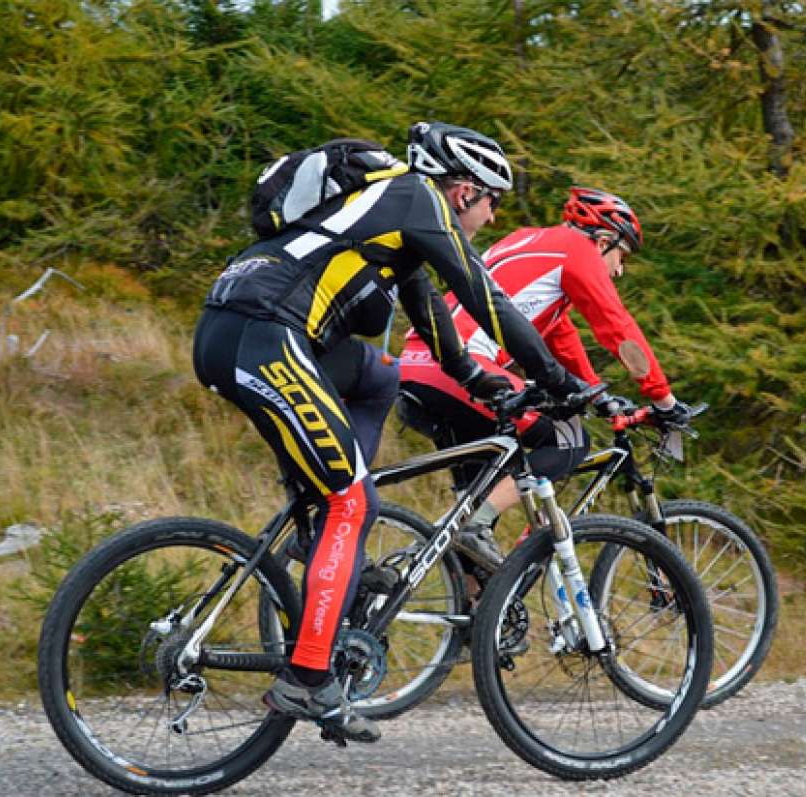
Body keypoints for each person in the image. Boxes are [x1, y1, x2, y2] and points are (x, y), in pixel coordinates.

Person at [192, 122, 585, 743]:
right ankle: (308, 676)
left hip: (237, 328)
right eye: (492, 203)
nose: (490, 216)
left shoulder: (389, 217)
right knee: (349, 500)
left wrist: (473, 377)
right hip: (264, 336)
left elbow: (428, 309)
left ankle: (323, 532)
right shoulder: (416, 197)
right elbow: (484, 296)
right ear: (463, 193)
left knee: (380, 376)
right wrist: (557, 378)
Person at [398, 187, 693, 574]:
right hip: (461, 366)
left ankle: (471, 621)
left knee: (477, 507)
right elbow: (618, 330)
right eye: (622, 256)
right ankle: (478, 530)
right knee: (567, 438)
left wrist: (596, 395)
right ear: (604, 240)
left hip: (416, 363)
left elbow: (559, 339)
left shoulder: (526, 241)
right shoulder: (577, 249)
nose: (619, 270)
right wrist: (663, 400)